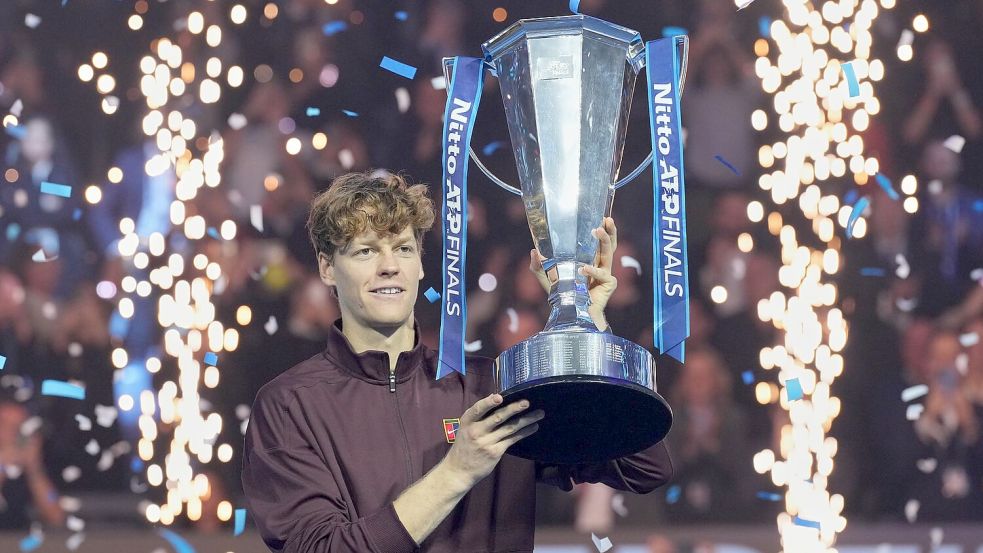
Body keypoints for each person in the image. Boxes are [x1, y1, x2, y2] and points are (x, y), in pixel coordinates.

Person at [242, 171, 673, 552]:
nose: (390, 266)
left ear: (421, 266)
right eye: (366, 251)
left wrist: (587, 325)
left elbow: (644, 465)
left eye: (404, 249)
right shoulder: (289, 406)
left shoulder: (491, 387)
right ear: (327, 268)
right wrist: (457, 472)